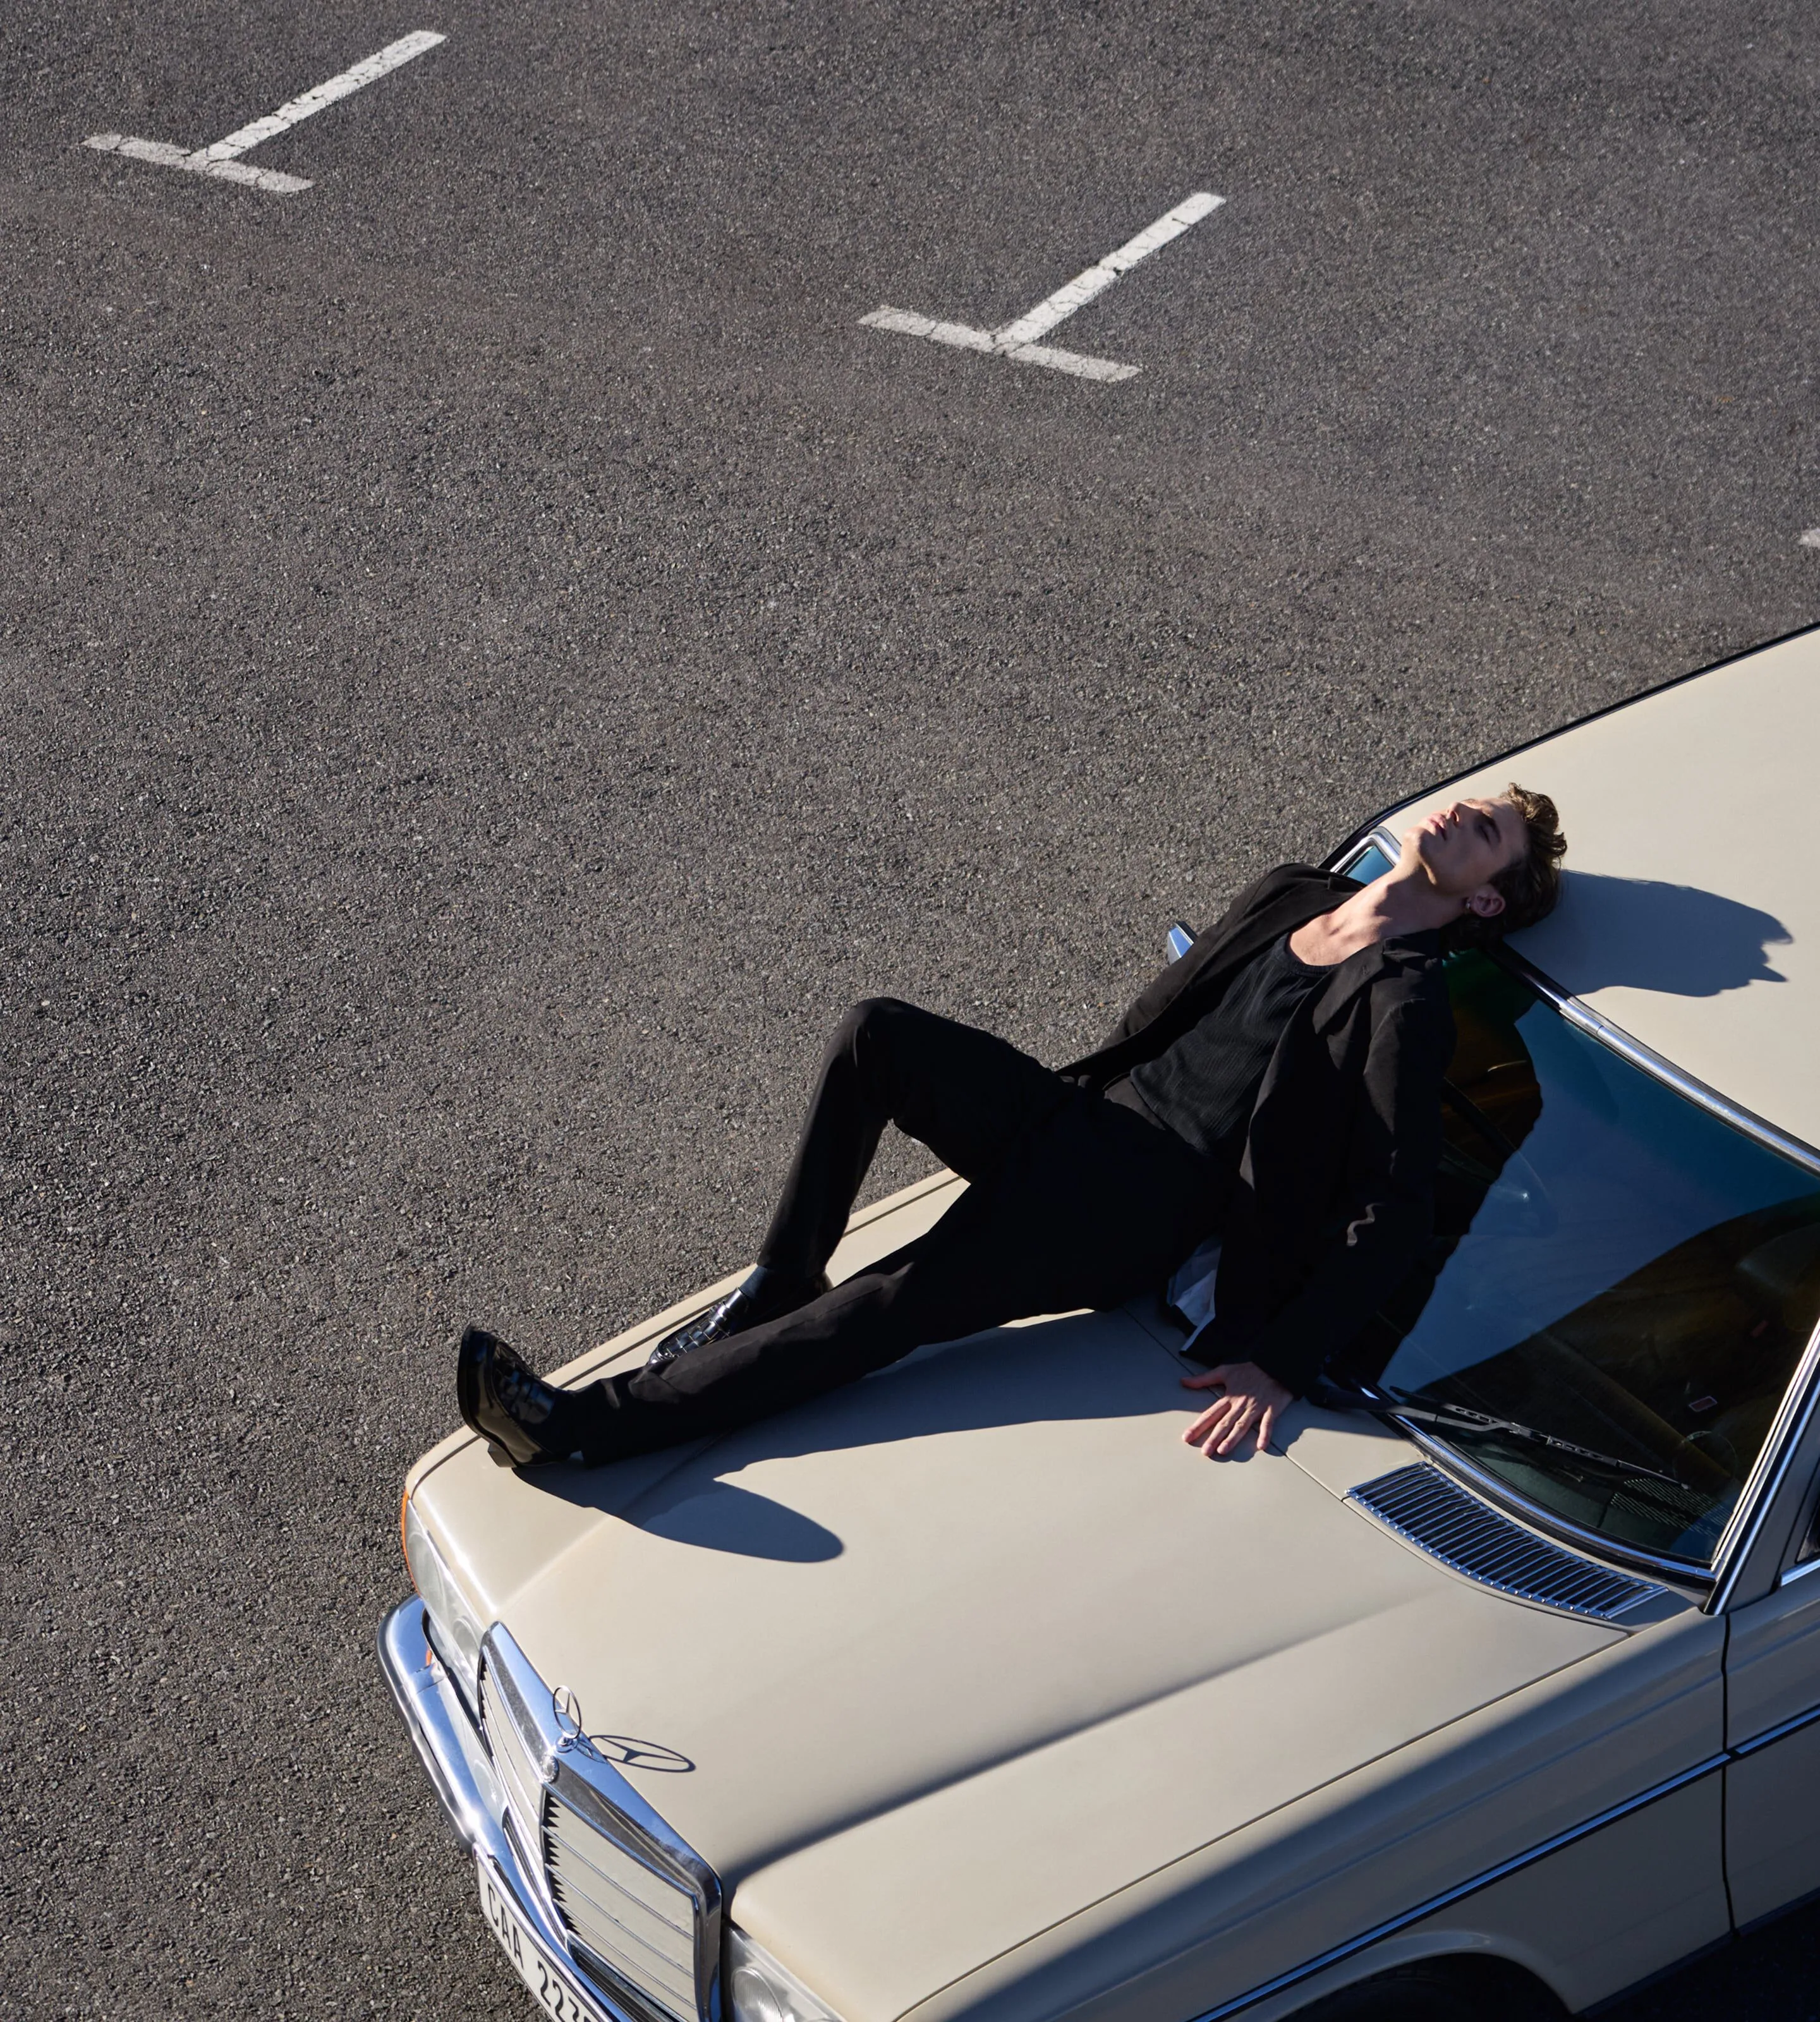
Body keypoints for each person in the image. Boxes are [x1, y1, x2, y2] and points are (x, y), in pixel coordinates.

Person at [459, 786, 1567, 1470]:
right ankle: (783, 1273)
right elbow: (1166, 1014)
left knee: (890, 1304)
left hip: (1142, 1199)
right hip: (1080, 1115)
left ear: (1482, 902)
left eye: (1487, 836)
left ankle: (578, 1429)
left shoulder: (1404, 1000)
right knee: (876, 1035)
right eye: (1472, 807)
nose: (1460, 817)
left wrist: (1280, 1359)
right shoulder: (1295, 893)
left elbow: (1395, 1201)